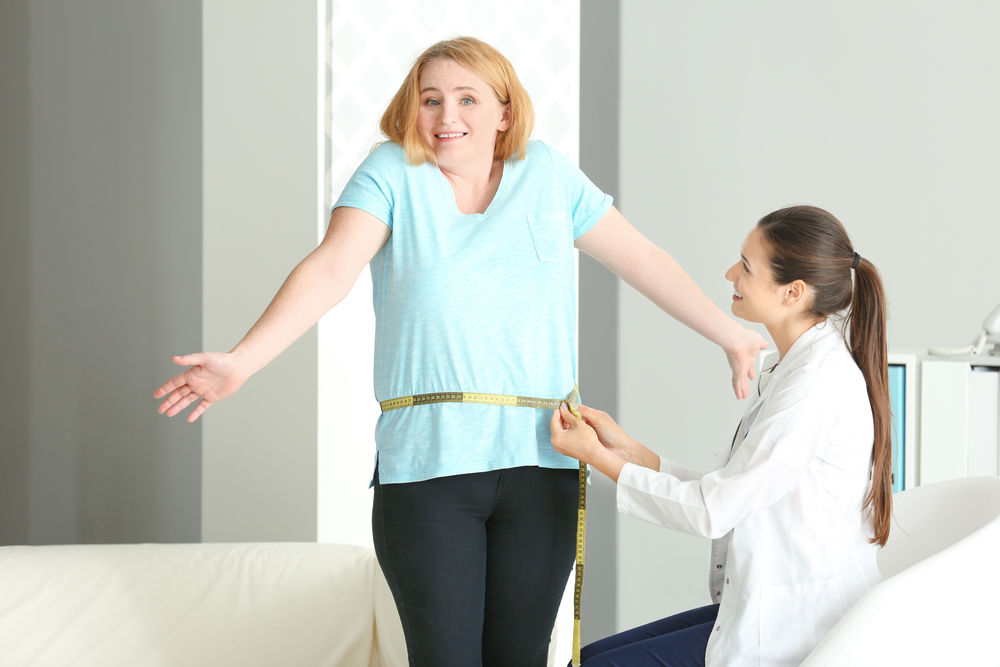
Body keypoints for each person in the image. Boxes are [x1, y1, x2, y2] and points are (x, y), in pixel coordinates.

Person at [154, 37, 766, 667]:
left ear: (504, 112)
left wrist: (731, 333)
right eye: (431, 99)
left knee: (521, 657)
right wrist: (242, 362)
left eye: (467, 98)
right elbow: (331, 269)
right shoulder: (392, 173)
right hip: (428, 469)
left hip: (542, 463)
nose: (447, 116)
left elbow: (641, 259)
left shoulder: (550, 176)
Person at [551, 205, 891, 667]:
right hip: (769, 603)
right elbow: (729, 491)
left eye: (746, 267)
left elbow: (715, 511)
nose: (730, 273)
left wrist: (599, 459)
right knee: (591, 657)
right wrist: (625, 450)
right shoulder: (798, 368)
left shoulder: (815, 385)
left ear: (793, 292)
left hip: (798, 625)